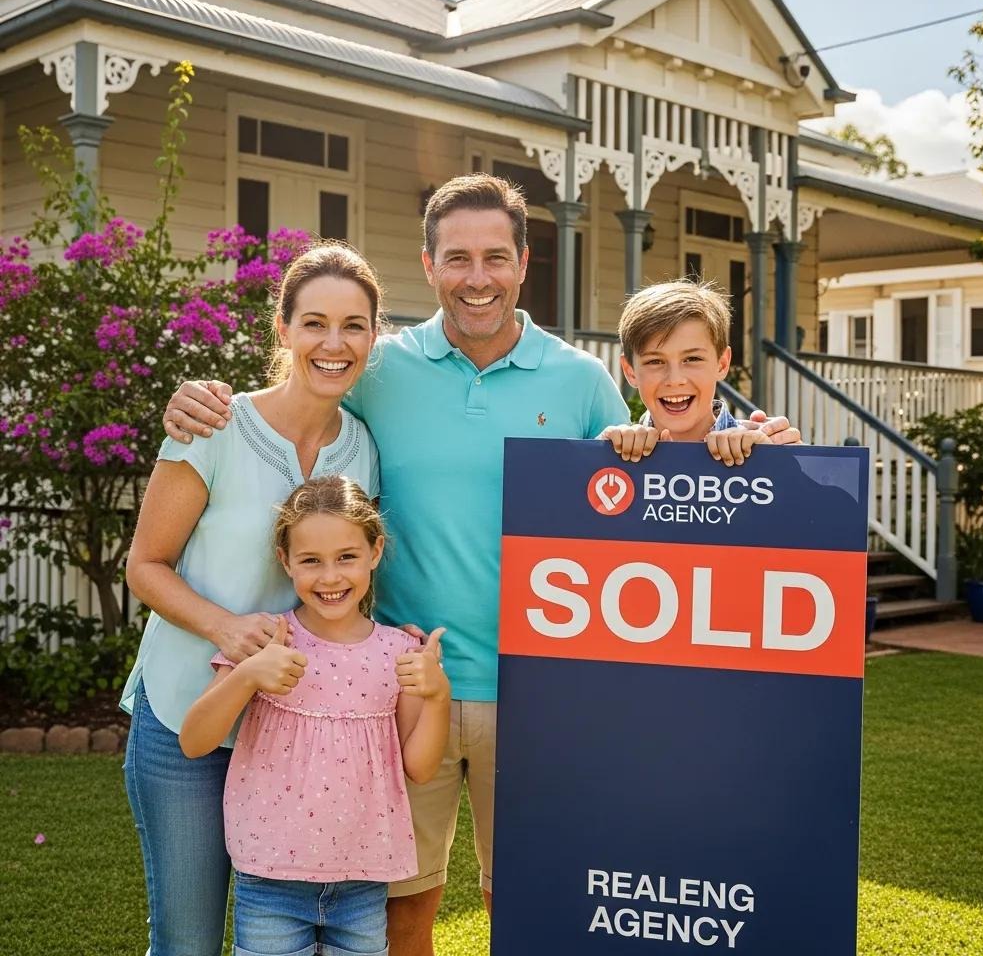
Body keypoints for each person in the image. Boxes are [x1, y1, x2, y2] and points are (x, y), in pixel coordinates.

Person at [161, 174, 801, 956]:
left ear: (524, 262)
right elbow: (300, 389)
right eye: (458, 258)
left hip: (539, 693)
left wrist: (749, 446)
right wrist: (201, 399)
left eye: (496, 256)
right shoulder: (381, 369)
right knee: (402, 914)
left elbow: (658, 484)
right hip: (399, 690)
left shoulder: (579, 380)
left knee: (527, 911)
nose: (478, 277)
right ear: (428, 266)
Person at [122, 243, 385, 956]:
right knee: (190, 940)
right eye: (316, 323)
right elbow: (144, 564)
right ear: (283, 328)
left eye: (355, 326)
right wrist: (224, 628)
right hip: (188, 721)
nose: (335, 344)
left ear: (373, 336)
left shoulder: (363, 446)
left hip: (297, 735)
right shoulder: (212, 426)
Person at [179, 476, 450, 956]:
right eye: (311, 561)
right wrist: (247, 676)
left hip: (364, 880)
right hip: (270, 879)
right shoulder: (267, 640)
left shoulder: (399, 651)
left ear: (375, 551)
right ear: (285, 561)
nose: (330, 578)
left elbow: (422, 768)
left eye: (347, 556)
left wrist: (438, 695)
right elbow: (195, 740)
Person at [601, 279, 772, 466]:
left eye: (692, 359)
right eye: (655, 361)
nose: (675, 380)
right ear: (630, 371)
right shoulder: (612, 457)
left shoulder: (764, 450)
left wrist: (779, 464)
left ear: (722, 364)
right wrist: (594, 458)